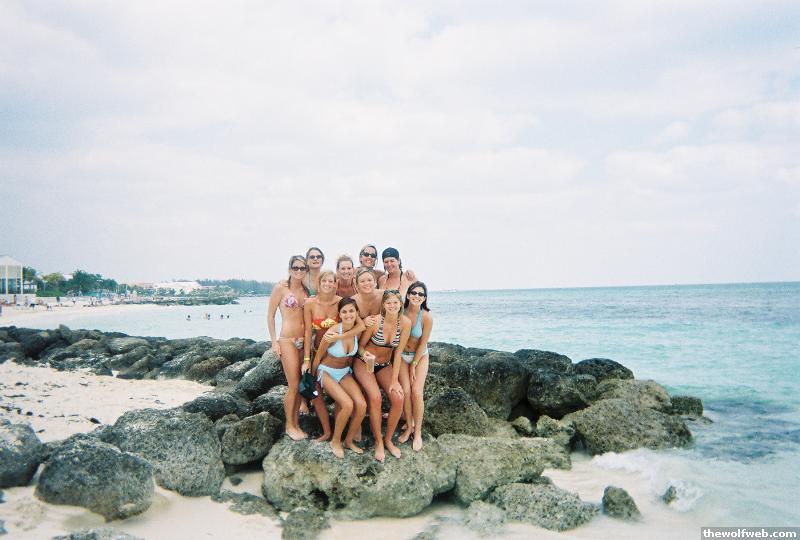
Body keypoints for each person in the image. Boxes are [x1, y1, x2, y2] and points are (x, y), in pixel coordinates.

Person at [302, 270, 364, 440]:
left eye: (331, 281)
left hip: (337, 351)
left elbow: (359, 326)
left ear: (336, 284)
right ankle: (327, 432)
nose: (328, 284)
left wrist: (339, 337)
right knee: (316, 394)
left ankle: (342, 430)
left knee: (341, 398)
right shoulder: (310, 303)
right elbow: (307, 332)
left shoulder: (340, 303)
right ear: (319, 283)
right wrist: (307, 359)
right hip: (317, 351)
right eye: (324, 281)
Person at [353, 289, 411, 462]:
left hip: (385, 365)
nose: (392, 306)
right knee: (376, 398)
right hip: (364, 363)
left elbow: (398, 353)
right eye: (388, 303)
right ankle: (378, 441)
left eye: (395, 302)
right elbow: (360, 347)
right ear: (383, 305)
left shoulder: (405, 323)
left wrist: (394, 381)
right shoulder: (375, 322)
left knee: (398, 398)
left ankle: (388, 440)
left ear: (400, 304)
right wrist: (364, 355)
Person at [267, 255, 311, 441]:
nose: (299, 271)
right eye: (295, 267)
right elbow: (270, 316)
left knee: (301, 383)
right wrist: (274, 341)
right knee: (293, 385)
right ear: (289, 269)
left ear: (306, 270)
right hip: (287, 340)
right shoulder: (280, 288)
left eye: (302, 268)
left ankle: (296, 423)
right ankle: (289, 425)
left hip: (304, 341)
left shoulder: (306, 290)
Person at [397, 282, 433, 451]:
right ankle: (409, 425)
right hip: (402, 356)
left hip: (420, 356)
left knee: (417, 392)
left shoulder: (426, 317)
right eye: (414, 292)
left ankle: (417, 432)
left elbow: (423, 342)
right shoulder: (400, 311)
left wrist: (414, 364)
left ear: (424, 298)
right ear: (408, 294)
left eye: (421, 294)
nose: (417, 296)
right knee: (406, 391)